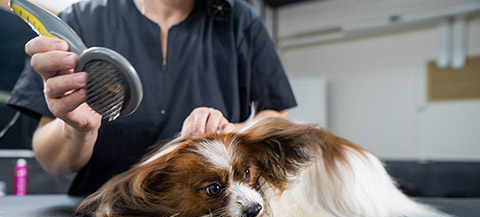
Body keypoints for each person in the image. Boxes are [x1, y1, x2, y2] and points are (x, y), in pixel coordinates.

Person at [8, 0, 297, 196]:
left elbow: (278, 121)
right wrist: (79, 130)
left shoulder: (240, 21)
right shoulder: (81, 20)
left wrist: (232, 132)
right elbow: (52, 162)